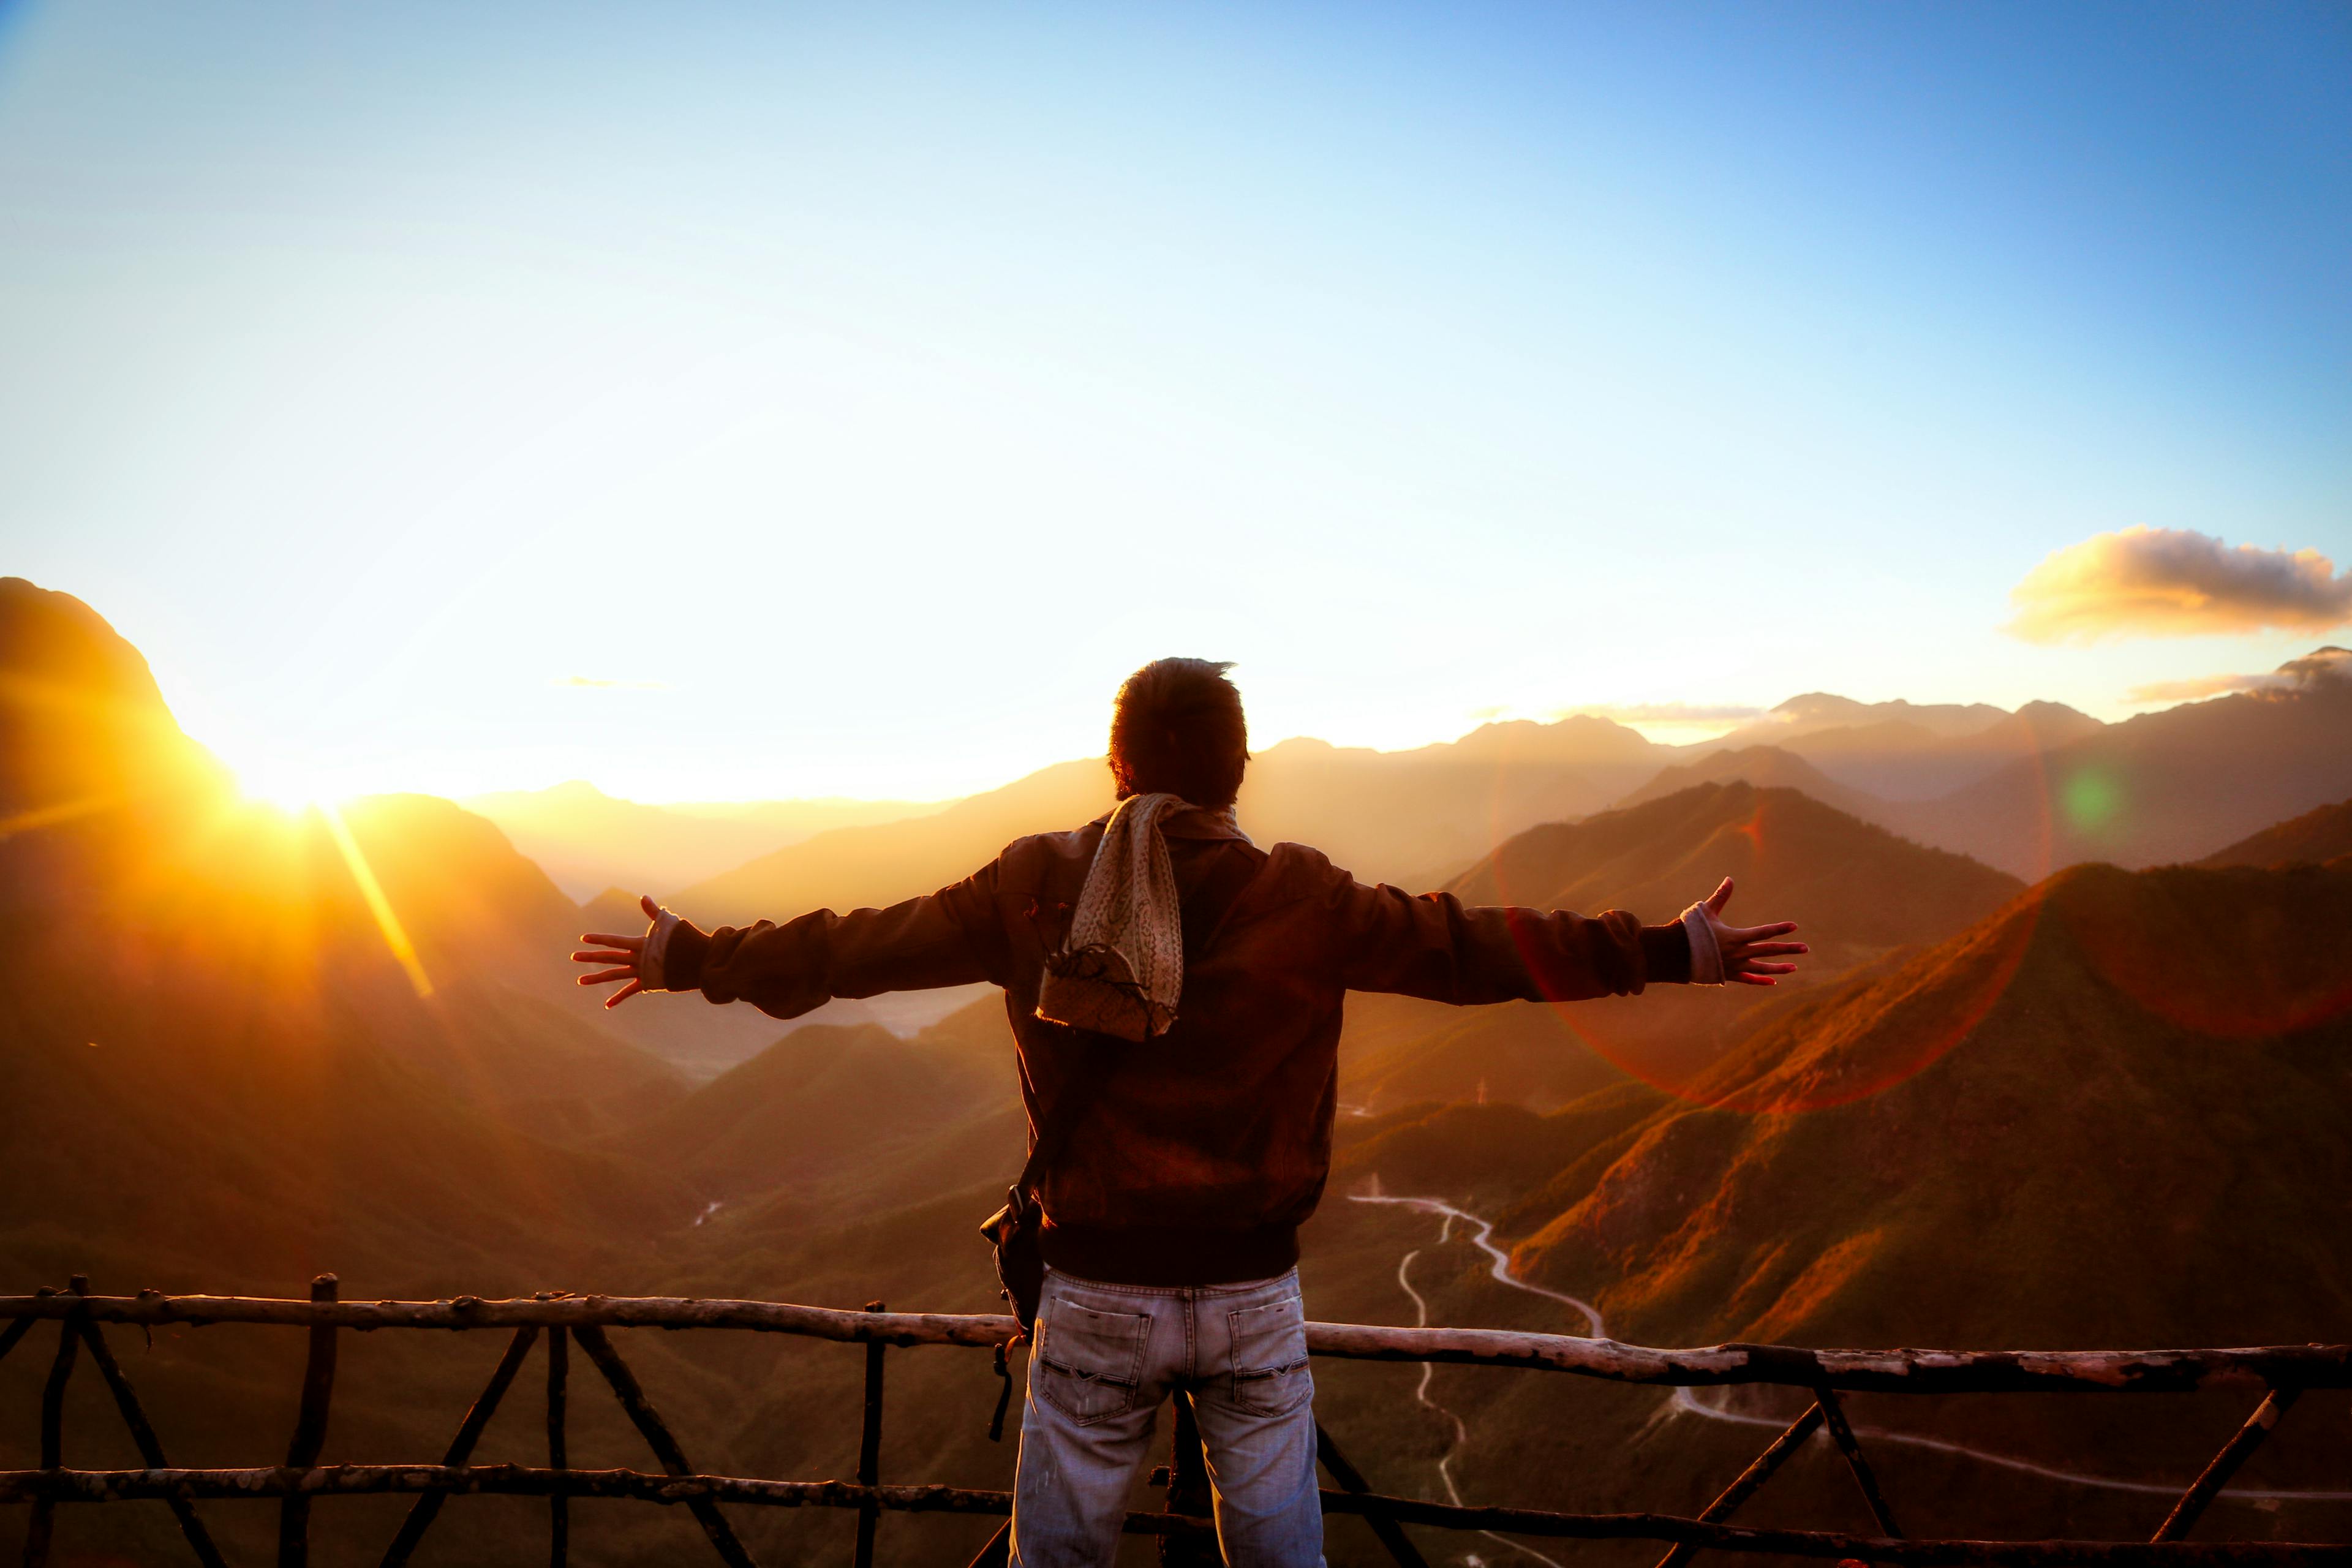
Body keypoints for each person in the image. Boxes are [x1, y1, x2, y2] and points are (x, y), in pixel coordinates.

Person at [572, 658, 1803, 1568]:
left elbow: (859, 945)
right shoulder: (1306, 898)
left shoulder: (1032, 887)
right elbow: (1474, 947)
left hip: (1096, 1291)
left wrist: (693, 956)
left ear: (1115, 768)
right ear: (1238, 769)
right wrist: (1670, 947)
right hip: (1252, 1293)